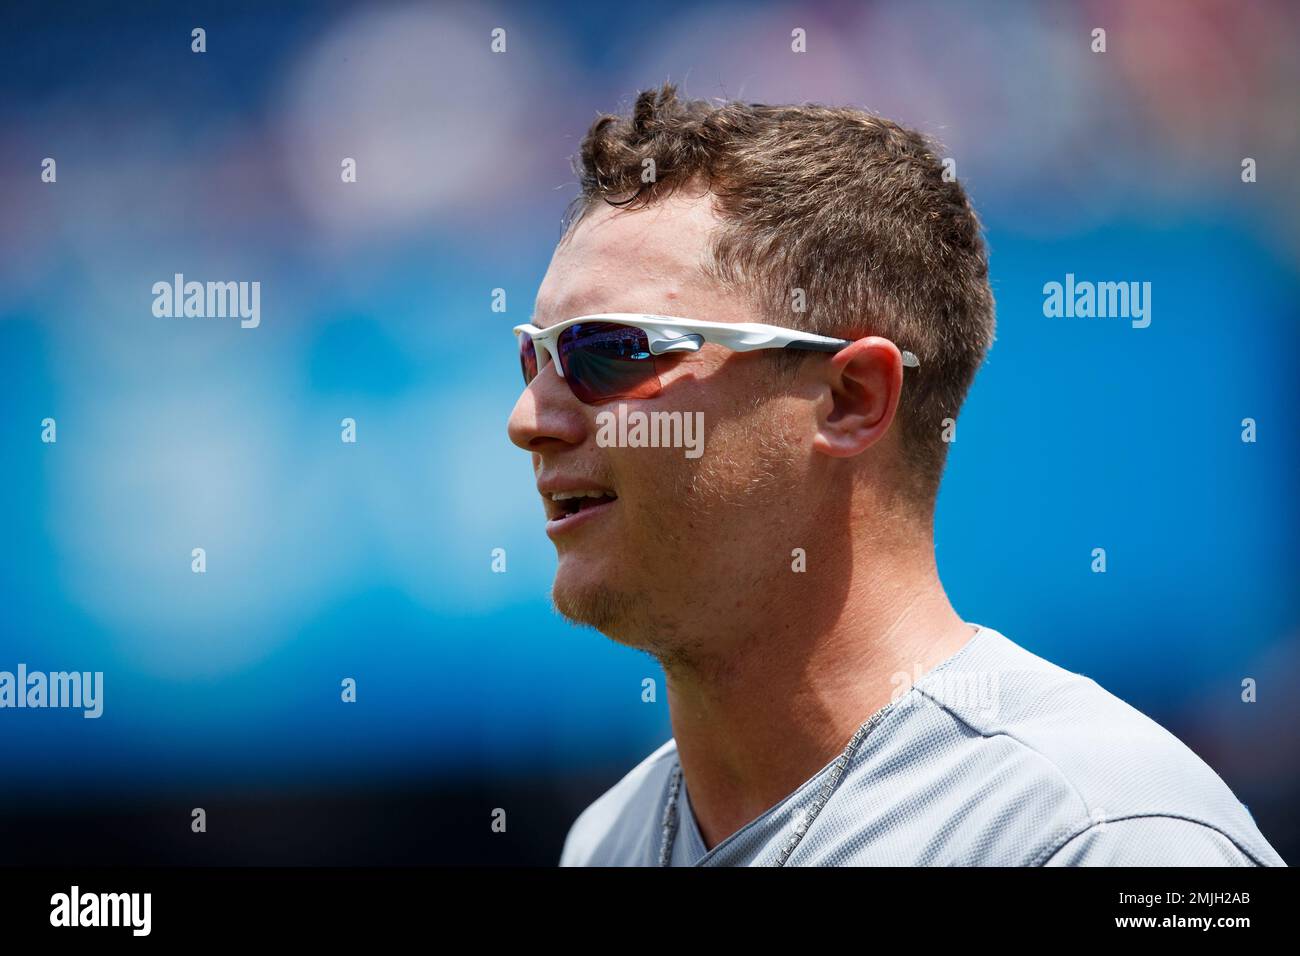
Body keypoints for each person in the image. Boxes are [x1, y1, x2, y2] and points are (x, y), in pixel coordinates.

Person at [506, 83, 1286, 866]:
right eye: (533, 355)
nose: (529, 420)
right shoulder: (607, 840)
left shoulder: (1105, 838)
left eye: (610, 350)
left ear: (850, 399)